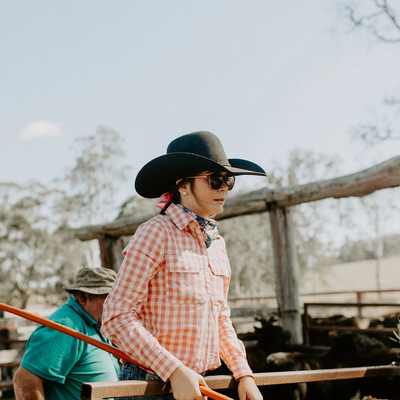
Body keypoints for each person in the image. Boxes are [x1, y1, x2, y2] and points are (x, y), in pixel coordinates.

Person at [102, 131, 267, 400]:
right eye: (214, 180)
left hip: (196, 383)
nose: (223, 188)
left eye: (229, 181)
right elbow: (116, 316)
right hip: (150, 385)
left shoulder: (217, 244)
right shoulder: (155, 233)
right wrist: (174, 370)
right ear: (182, 185)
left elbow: (220, 318)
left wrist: (243, 373)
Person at [13, 267, 120, 400]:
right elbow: (24, 381)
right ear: (82, 297)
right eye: (107, 297)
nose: (114, 305)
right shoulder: (64, 327)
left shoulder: (96, 323)